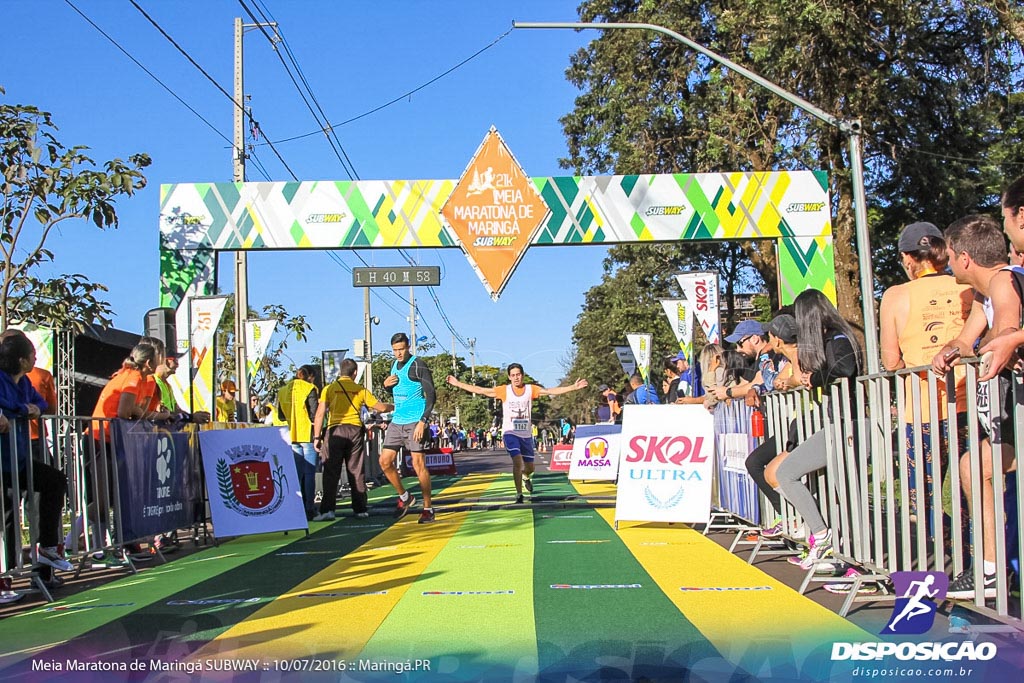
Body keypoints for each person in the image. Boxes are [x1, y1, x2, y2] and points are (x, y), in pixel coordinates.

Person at [930, 214, 1023, 599]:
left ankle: (993, 570)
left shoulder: (1004, 279)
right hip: (1010, 406)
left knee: (975, 467)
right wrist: (951, 351)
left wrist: (1005, 343)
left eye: (950, 256)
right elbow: (969, 338)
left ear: (965, 258)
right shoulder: (985, 294)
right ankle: (991, 569)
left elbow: (1006, 324)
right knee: (972, 466)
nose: (947, 263)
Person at [879, 222, 972, 530]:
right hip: (966, 403)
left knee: (923, 500)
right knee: (972, 493)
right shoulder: (965, 286)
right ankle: (978, 567)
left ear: (908, 257)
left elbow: (891, 362)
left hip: (921, 410)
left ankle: (944, 560)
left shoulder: (895, 296)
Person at [765, 291, 862, 570]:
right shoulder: (835, 336)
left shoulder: (836, 337)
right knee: (836, 492)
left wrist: (814, 377)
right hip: (839, 424)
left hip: (847, 425)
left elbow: (844, 367)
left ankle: (823, 537)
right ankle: (843, 553)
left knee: (786, 472)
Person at [0, 331, 74, 602]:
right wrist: (21, 410)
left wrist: (29, 408)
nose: (36, 358)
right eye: (32, 354)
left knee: (55, 480)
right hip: (1, 461)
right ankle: (5, 578)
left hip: (18, 458)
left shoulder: (24, 382)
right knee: (6, 519)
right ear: (21, 359)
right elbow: (11, 406)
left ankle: (47, 548)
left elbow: (42, 404)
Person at [448, 364, 587, 503]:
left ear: (523, 375)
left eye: (518, 374)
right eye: (513, 375)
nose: (516, 378)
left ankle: (526, 476)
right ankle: (519, 494)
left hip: (526, 434)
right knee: (517, 460)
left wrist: (573, 387)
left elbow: (551, 391)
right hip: (510, 432)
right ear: (509, 377)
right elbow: (481, 390)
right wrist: (458, 383)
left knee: (530, 467)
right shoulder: (504, 391)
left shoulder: (530, 389)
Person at [312, 359, 392, 521]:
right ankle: (360, 509)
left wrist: (317, 437)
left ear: (341, 372)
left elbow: (320, 414)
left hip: (335, 430)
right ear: (355, 372)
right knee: (356, 471)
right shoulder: (360, 390)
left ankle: (327, 510)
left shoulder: (329, 389)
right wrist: (393, 406)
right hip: (355, 430)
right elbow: (381, 408)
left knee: (331, 471)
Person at [379, 333, 438, 523]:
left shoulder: (417, 364)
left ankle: (428, 508)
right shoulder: (394, 365)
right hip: (397, 421)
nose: (398, 353)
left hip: (415, 421)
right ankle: (405, 497)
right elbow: (397, 389)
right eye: (395, 350)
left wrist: (423, 421)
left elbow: (431, 394)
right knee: (384, 461)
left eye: (401, 349)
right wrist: (386, 386)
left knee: (418, 465)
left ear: (408, 347)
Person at [277, 365, 320, 520]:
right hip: (307, 433)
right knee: (309, 473)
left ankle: (297, 506)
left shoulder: (282, 391)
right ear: (310, 376)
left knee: (297, 473)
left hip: (291, 434)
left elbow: (281, 416)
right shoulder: (310, 388)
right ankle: (310, 508)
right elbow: (314, 414)